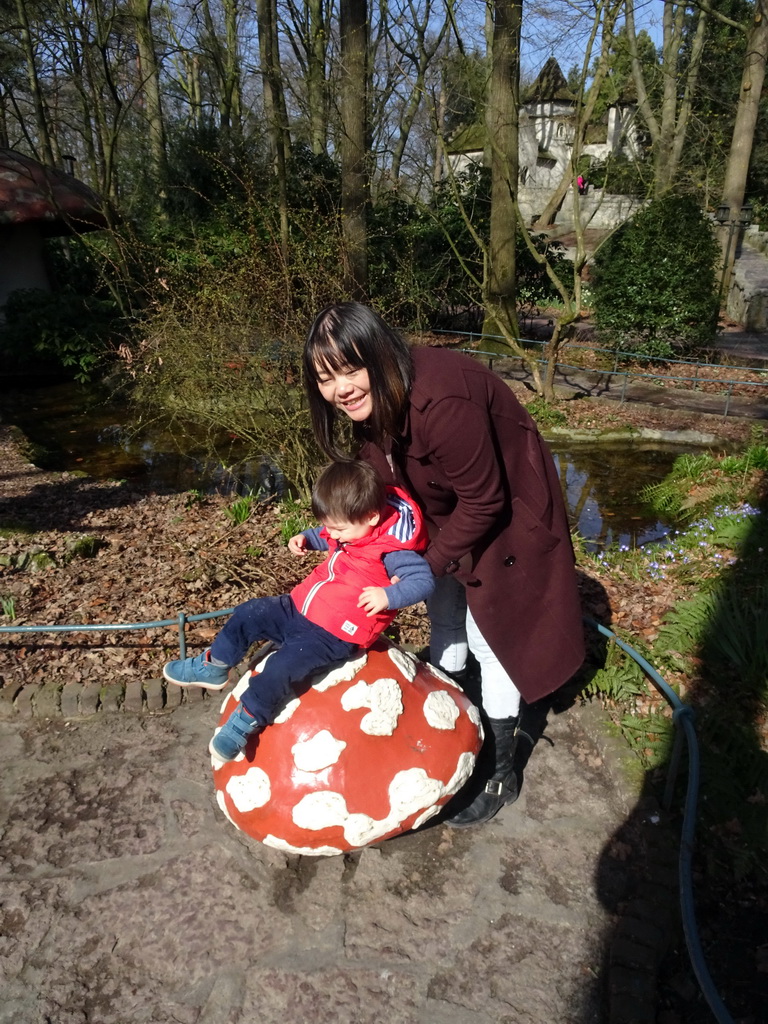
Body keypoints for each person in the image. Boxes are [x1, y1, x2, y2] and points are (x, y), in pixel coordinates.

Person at [303, 302, 585, 827]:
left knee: (490, 636)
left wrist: (421, 566)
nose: (340, 388)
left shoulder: (443, 398)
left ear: (381, 354)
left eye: (350, 369)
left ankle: (502, 769)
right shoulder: (376, 404)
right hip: (443, 510)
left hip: (506, 512)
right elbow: (380, 477)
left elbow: (484, 500)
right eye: (326, 377)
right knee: (444, 615)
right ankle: (449, 722)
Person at [163, 460, 434, 762]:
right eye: (328, 525)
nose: (332, 533)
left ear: (371, 517)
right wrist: (306, 537)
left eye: (337, 528)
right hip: (299, 606)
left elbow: (422, 581)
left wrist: (389, 595)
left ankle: (246, 718)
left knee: (281, 668)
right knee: (251, 612)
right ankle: (214, 665)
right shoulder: (349, 526)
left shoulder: (393, 550)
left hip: (333, 633)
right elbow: (325, 534)